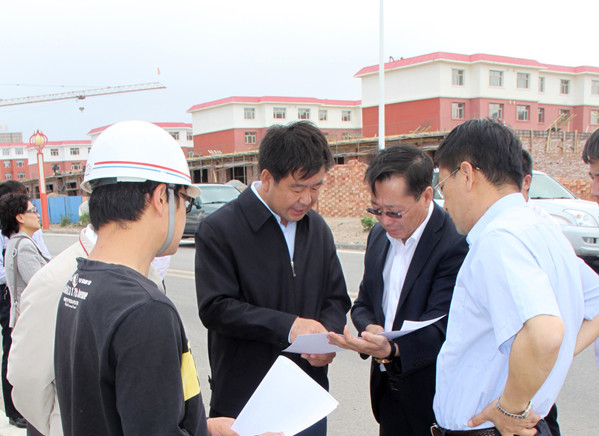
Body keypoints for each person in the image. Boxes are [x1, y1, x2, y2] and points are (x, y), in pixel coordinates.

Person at [52, 120, 250, 436]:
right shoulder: (145, 309)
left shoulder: (79, 284)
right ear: (161, 197)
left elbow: (126, 414)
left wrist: (204, 428)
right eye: (185, 200)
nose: (184, 212)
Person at [432, 118, 599, 436]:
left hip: (495, 429)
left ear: (467, 174)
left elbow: (545, 334)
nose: (446, 202)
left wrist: (510, 406)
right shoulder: (541, 228)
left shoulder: (499, 238)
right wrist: (553, 361)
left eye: (443, 186)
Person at [195, 121, 351, 436]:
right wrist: (289, 327)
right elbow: (216, 308)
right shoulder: (220, 229)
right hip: (246, 399)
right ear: (267, 178)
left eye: (316, 187)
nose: (307, 199)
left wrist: (327, 339)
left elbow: (335, 298)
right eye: (298, 187)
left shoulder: (317, 229)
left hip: (306, 397)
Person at [327, 145, 467, 435]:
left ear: (426, 196)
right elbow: (363, 302)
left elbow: (445, 325)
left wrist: (393, 348)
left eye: (394, 212)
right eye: (376, 210)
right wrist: (370, 329)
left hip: (434, 396)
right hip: (388, 392)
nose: (385, 220)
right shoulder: (379, 236)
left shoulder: (454, 242)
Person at [0, 181, 50, 430]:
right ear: (19, 216)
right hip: (32, 318)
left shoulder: (18, 242)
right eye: (32, 210)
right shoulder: (23, 245)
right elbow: (40, 284)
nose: (37, 214)